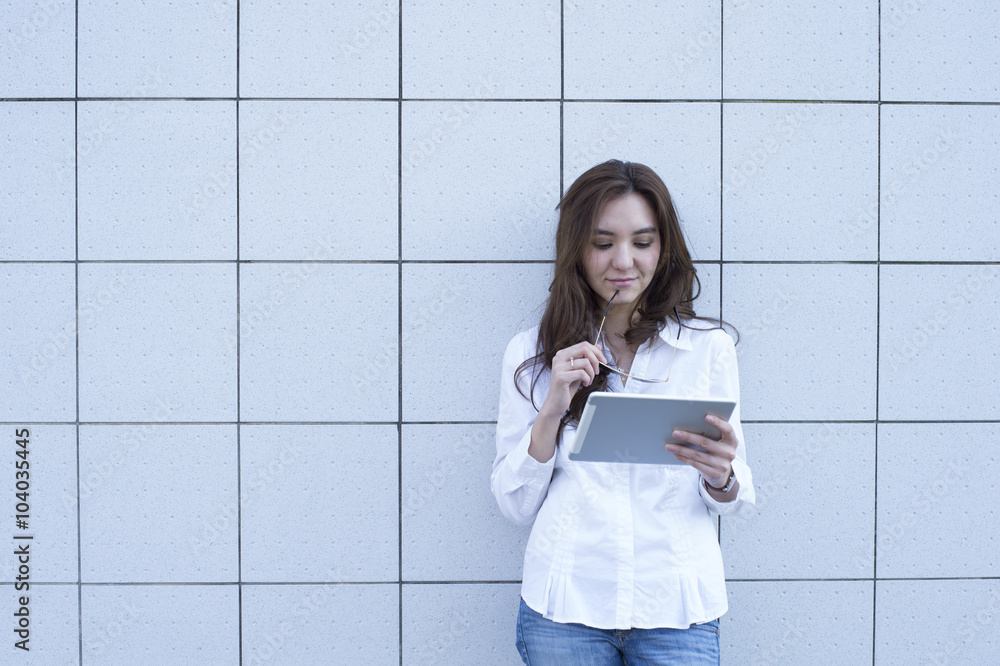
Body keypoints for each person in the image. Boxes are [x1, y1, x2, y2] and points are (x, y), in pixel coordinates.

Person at [491, 159, 755, 665]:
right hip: (565, 607)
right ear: (576, 249)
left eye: (642, 241)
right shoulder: (530, 356)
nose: (623, 261)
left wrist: (722, 477)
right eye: (602, 242)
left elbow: (734, 496)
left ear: (663, 248)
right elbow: (514, 506)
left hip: (678, 608)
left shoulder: (709, 350)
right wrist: (552, 409)